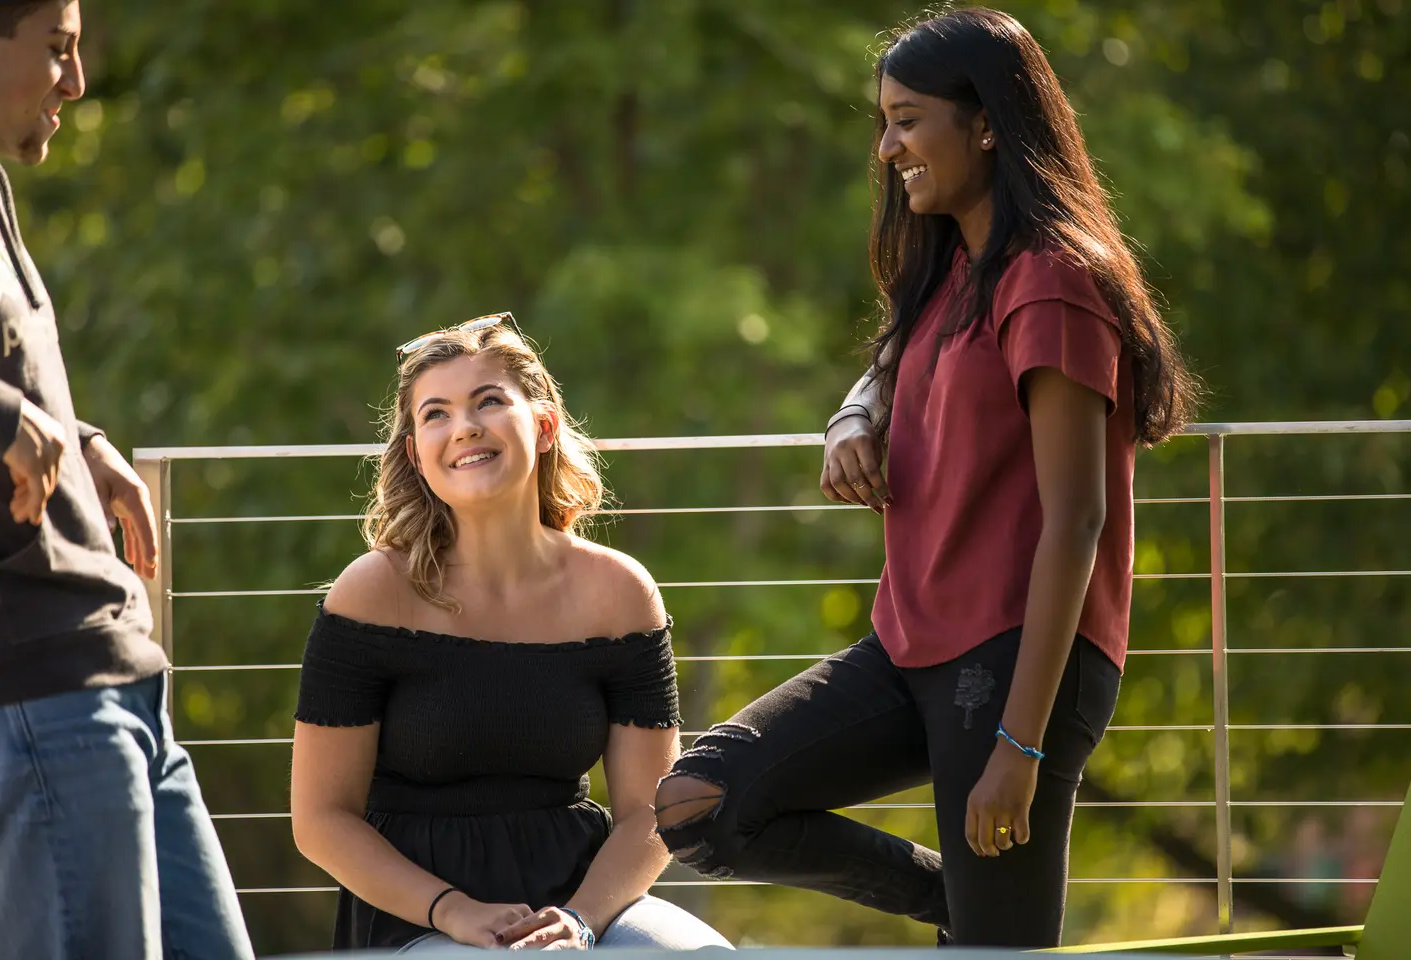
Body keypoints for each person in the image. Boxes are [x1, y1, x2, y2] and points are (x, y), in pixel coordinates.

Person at [654, 7, 1198, 950]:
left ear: (983, 122)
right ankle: (970, 902)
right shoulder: (954, 268)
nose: (887, 148)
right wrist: (850, 419)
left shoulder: (1051, 282)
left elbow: (1078, 520)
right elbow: (892, 358)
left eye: (907, 121)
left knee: (996, 949)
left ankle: (991, 914)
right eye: (883, 123)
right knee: (702, 802)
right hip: (909, 645)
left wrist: (1020, 746)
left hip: (1015, 658)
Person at [289, 314, 732, 953]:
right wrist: (453, 911)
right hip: (419, 914)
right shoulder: (372, 592)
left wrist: (580, 919)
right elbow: (321, 820)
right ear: (416, 454)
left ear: (544, 427)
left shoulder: (619, 592)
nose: (465, 426)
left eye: (489, 401)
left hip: (582, 901)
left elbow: (645, 813)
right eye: (435, 414)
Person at [0, 2, 255, 958]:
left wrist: (78, 441)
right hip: (30, 690)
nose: (78, 80)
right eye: (57, 49)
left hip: (117, 671)